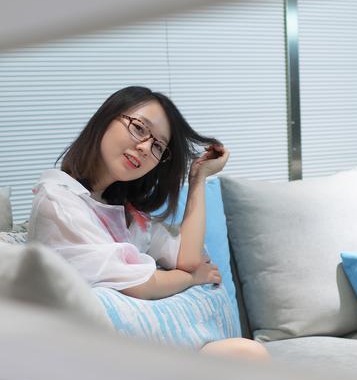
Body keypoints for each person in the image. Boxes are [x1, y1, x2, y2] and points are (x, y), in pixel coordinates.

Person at [29, 85, 268, 361]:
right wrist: (192, 279)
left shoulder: (124, 211)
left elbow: (188, 258)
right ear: (106, 118)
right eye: (139, 128)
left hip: (136, 353)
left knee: (247, 354)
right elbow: (141, 284)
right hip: (89, 360)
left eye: (157, 146)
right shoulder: (58, 201)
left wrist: (198, 178)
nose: (144, 148)